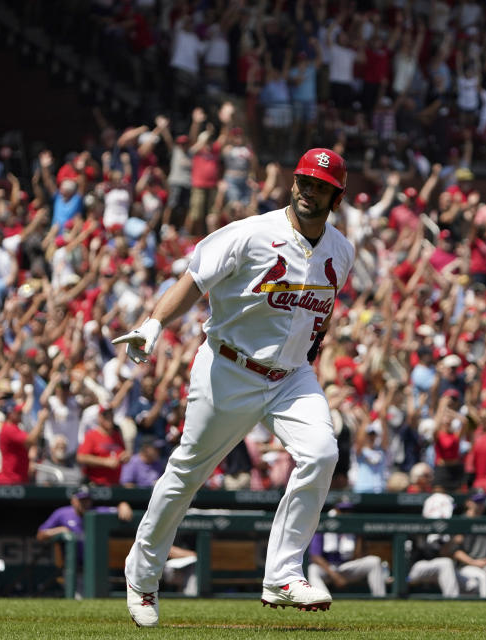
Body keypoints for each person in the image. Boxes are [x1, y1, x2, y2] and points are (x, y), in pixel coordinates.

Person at [114, 148, 354, 626]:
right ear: (293, 183)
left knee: (323, 453)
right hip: (228, 367)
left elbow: (315, 319)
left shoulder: (341, 251)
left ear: (336, 196)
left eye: (322, 186)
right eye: (305, 182)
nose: (311, 192)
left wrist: (301, 364)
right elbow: (194, 280)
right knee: (187, 473)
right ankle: (142, 577)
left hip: (290, 377)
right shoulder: (251, 233)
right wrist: (154, 324)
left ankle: (283, 575)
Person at [37, 484, 134, 596]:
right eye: (81, 500)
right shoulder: (62, 514)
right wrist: (60, 530)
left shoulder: (96, 511)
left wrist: (123, 505)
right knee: (79, 600)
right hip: (73, 570)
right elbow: (40, 535)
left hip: (97, 570)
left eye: (87, 499)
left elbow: (119, 510)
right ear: (73, 500)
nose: (84, 503)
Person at [306, 503, 386, 599]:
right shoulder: (324, 523)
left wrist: (358, 534)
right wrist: (335, 576)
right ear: (336, 511)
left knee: (374, 561)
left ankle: (380, 598)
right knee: (312, 569)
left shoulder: (353, 526)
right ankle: (323, 599)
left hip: (346, 567)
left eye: (348, 511)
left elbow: (357, 557)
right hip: (328, 568)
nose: (346, 513)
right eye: (342, 510)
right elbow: (315, 556)